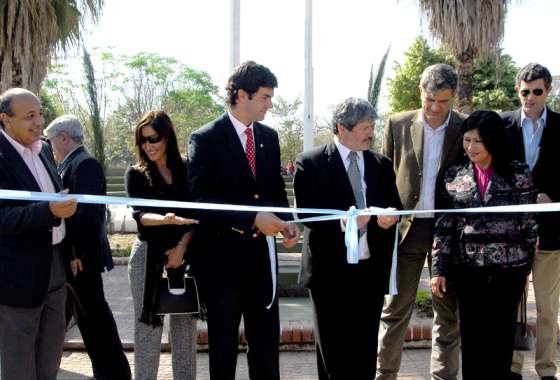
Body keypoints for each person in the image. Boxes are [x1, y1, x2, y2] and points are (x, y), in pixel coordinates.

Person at [187, 60, 300, 380]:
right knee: (223, 349)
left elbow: (275, 192)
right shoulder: (205, 138)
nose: (270, 103)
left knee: (265, 346)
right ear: (241, 95)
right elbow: (201, 201)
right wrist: (253, 218)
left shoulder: (269, 137)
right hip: (222, 263)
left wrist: (286, 222)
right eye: (265, 96)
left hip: (262, 264)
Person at [294, 97, 401, 379]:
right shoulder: (311, 163)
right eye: (365, 127)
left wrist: (391, 218)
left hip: (370, 272)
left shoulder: (381, 164)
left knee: (365, 350)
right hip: (330, 274)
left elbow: (395, 205)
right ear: (342, 128)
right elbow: (307, 214)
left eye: (372, 127)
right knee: (333, 353)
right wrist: (346, 223)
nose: (371, 133)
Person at [431, 110, 537, 379]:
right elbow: (445, 225)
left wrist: (524, 266)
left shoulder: (518, 172)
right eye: (467, 140)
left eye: (477, 141)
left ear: (493, 140)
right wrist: (438, 268)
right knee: (473, 339)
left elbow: (529, 222)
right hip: (469, 271)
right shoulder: (454, 175)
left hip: (508, 271)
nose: (470, 147)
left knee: (500, 341)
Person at [377, 63, 464, 380]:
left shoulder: (464, 128)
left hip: (448, 234)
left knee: (447, 313)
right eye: (430, 99)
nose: (436, 107)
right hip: (406, 231)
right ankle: (385, 375)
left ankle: (443, 377)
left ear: (453, 95)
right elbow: (383, 176)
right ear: (420, 92)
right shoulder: (398, 124)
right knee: (395, 310)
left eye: (443, 101)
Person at [44, 115, 131, 380]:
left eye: (52, 141)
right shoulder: (73, 162)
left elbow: (87, 215)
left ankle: (114, 373)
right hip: (75, 257)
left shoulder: (86, 164)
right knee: (86, 319)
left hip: (82, 258)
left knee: (96, 319)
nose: (52, 148)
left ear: (63, 137)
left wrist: (75, 254)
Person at [0, 88, 77, 380]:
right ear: (5, 119)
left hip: (55, 267)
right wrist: (50, 212)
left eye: (40, 113)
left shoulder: (44, 148)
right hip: (17, 277)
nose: (38, 121)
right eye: (29, 116)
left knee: (49, 358)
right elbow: (3, 217)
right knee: (19, 364)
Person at [126, 111, 199, 380]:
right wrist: (165, 219)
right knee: (148, 328)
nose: (148, 145)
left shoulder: (188, 168)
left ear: (166, 136)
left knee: (185, 329)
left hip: (184, 256)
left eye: (153, 138)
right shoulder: (136, 174)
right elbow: (140, 215)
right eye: (143, 141)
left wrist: (180, 248)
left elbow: (196, 218)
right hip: (148, 257)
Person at [504, 63, 560, 380]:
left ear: (547, 91)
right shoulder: (503, 125)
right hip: (510, 234)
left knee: (548, 308)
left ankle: (546, 369)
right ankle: (511, 367)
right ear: (518, 90)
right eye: (525, 91)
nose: (530, 97)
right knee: (513, 303)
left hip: (551, 235)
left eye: (537, 91)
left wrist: (551, 198)